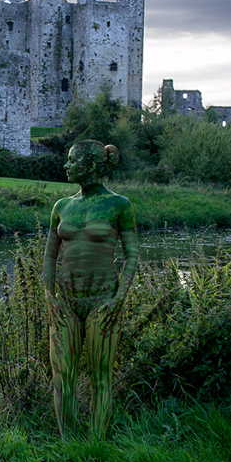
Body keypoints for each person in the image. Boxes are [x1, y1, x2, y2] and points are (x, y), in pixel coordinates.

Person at [43, 140, 139, 440]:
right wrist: (49, 298)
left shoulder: (119, 204)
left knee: (100, 377)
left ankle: (96, 444)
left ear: (91, 165)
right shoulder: (62, 206)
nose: (66, 166)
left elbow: (132, 255)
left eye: (72, 161)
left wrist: (120, 298)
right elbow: (49, 256)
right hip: (66, 303)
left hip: (103, 302)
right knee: (62, 377)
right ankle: (68, 445)